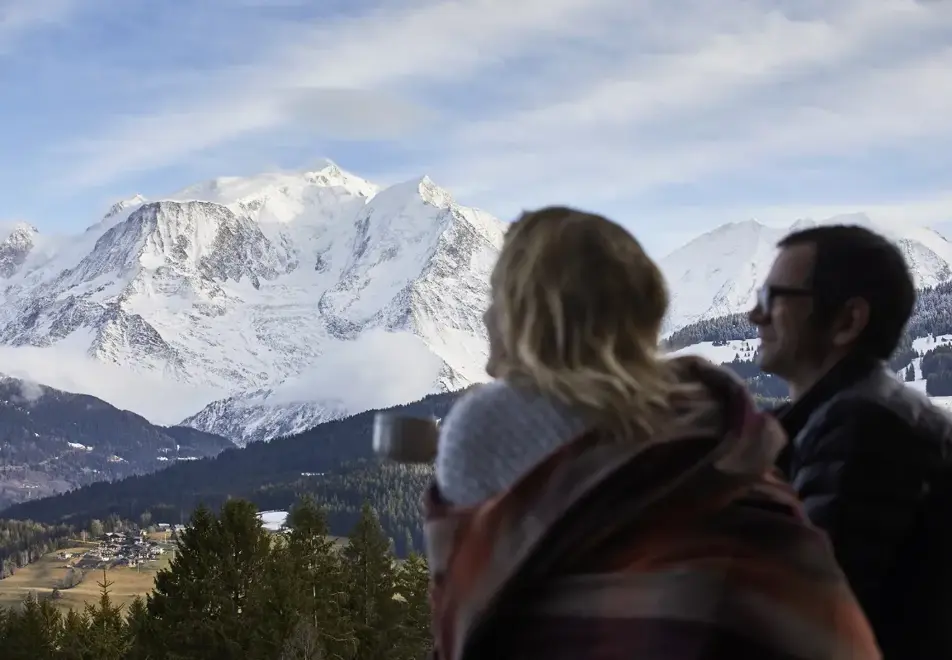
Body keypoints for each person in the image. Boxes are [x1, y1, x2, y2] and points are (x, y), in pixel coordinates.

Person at [423, 207, 880, 660]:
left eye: (497, 296)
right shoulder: (713, 414)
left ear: (524, 312)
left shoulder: (489, 423)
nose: (484, 316)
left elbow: (465, 618)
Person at [748, 224, 952, 659]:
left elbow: (813, 612)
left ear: (847, 321)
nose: (755, 316)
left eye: (772, 299)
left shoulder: (863, 428)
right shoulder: (847, 414)